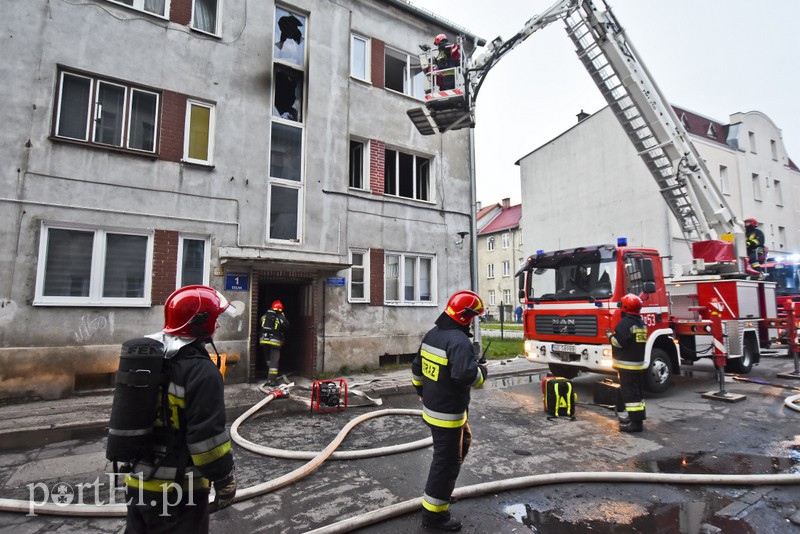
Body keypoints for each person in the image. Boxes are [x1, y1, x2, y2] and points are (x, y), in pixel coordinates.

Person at [125, 285, 237, 533]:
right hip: (180, 492)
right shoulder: (201, 371)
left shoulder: (151, 360)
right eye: (215, 319)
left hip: (137, 483)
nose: (217, 325)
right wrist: (225, 480)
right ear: (201, 322)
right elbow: (208, 443)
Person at [411, 290, 488, 531]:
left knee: (463, 444)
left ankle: (441, 492)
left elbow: (416, 369)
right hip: (448, 415)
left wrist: (420, 391)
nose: (474, 320)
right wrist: (482, 371)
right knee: (446, 463)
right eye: (473, 316)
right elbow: (467, 376)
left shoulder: (433, 335)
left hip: (434, 409)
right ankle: (434, 516)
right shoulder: (459, 341)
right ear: (465, 316)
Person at [605, 293, 648, 433]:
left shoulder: (625, 324)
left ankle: (635, 424)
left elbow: (619, 343)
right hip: (637, 365)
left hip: (627, 365)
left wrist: (610, 336)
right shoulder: (640, 322)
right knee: (637, 394)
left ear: (625, 307)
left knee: (630, 394)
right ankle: (635, 418)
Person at [259, 300, 291, 386]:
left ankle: (268, 375)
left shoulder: (265, 316)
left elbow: (260, 322)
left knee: (268, 358)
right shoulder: (280, 317)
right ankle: (272, 380)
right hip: (275, 341)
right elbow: (287, 326)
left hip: (264, 340)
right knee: (274, 360)